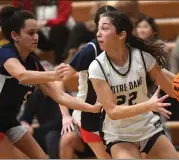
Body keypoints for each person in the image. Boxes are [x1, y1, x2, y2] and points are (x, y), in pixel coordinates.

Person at [0, 6, 101, 159]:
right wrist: (54, 74)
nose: (36, 37)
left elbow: (60, 96)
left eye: (36, 32)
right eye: (30, 33)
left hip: (7, 123)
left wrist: (91, 108)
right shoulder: (3, 54)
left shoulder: (33, 64)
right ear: (15, 35)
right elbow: (22, 75)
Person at [88, 11, 179, 159]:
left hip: (147, 128)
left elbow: (173, 90)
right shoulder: (97, 67)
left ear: (121, 35)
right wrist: (147, 106)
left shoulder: (142, 57)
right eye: (98, 29)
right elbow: (113, 111)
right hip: (119, 135)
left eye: (104, 28)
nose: (98, 34)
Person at [56, 5, 118, 159]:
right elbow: (58, 81)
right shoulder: (91, 50)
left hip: (115, 114)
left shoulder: (125, 47)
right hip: (90, 118)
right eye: (102, 26)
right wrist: (65, 115)